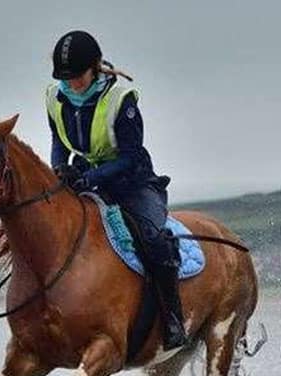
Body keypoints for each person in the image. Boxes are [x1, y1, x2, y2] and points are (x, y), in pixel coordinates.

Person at [45, 30, 187, 350]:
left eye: (78, 77)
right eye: (66, 79)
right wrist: (59, 169)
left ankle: (174, 318)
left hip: (132, 183)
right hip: (85, 177)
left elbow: (130, 156)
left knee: (152, 236)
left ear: (95, 68)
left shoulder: (121, 100)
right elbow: (58, 142)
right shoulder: (55, 98)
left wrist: (92, 177)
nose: (73, 85)